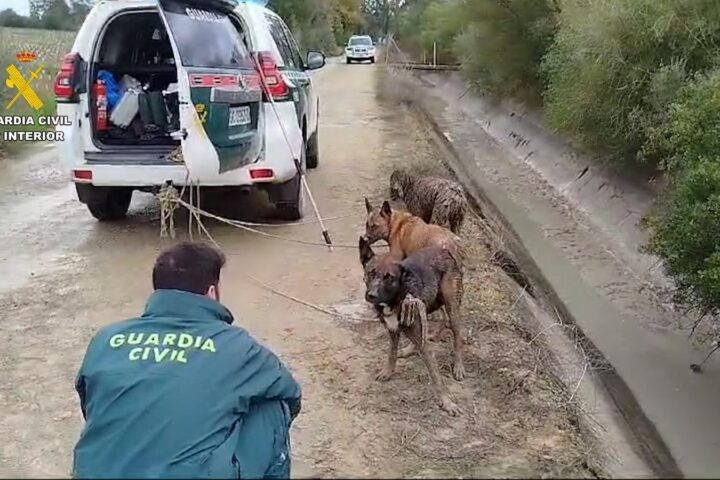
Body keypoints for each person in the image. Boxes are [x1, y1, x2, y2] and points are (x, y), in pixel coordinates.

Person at [73, 242, 302, 479]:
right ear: (212, 292)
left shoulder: (106, 339)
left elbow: (91, 406)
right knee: (272, 405)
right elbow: (291, 395)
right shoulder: (237, 346)